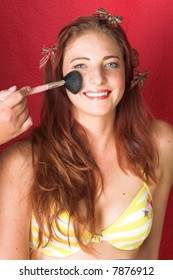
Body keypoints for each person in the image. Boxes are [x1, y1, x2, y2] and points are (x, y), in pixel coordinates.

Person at [0, 8, 173, 260]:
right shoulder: (23, 161)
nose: (97, 78)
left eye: (110, 64)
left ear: (126, 72)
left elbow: (149, 261)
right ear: (60, 77)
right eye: (80, 65)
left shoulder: (161, 143)